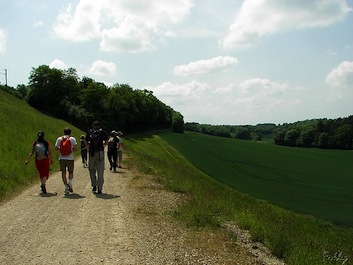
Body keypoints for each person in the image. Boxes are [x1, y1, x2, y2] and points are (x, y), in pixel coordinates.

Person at [86, 120, 107, 194]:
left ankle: (94, 185)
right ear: (99, 126)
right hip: (100, 153)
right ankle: (100, 188)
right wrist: (103, 146)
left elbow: (86, 142)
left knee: (92, 170)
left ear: (93, 125)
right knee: (100, 171)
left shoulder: (89, 132)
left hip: (92, 153)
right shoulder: (102, 132)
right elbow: (106, 141)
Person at [55, 127, 78, 194]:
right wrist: (71, 150)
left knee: (63, 172)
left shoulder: (59, 139)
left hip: (62, 158)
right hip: (70, 158)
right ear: (70, 133)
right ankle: (70, 183)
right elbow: (75, 149)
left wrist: (61, 150)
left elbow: (56, 148)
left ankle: (66, 187)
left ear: (64, 132)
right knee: (70, 172)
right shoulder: (72, 139)